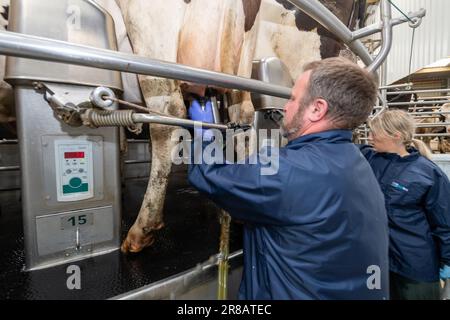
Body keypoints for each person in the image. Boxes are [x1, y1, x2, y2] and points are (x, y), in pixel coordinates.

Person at [187, 57, 389, 300]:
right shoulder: (358, 161)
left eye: (293, 99)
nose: (286, 107)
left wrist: (205, 128)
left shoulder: (288, 169)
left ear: (317, 109)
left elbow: (209, 174)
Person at [359, 109, 450, 300]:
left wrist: (447, 260)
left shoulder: (427, 173)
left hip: (414, 266)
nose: (370, 136)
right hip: (378, 262)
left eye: (375, 132)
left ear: (396, 136)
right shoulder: (369, 158)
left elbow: (444, 222)